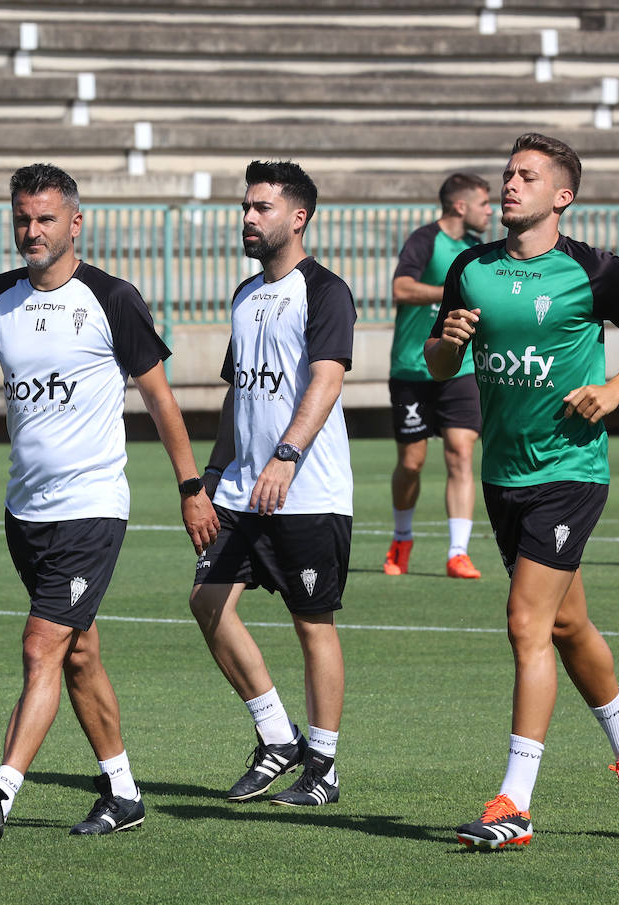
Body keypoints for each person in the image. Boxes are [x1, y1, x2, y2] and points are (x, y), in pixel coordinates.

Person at [0, 164, 217, 845]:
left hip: (92, 507)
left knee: (40, 645)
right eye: (23, 218)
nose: (32, 230)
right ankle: (122, 791)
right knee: (77, 652)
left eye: (46, 218)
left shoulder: (112, 298)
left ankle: (2, 790)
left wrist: (190, 487)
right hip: (25, 512)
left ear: (75, 223)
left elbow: (160, 397)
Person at [425, 133, 619, 849]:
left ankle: (516, 802)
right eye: (507, 174)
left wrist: (615, 389)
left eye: (526, 177)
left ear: (561, 196)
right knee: (567, 626)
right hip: (505, 474)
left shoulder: (593, 270)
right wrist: (449, 338)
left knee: (525, 624)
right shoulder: (472, 268)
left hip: (569, 471)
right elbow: (441, 364)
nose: (509, 185)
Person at [190, 160, 356, 808]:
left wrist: (287, 455)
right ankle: (274, 735)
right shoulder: (244, 294)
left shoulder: (325, 291)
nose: (249, 218)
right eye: (246, 206)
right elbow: (239, 397)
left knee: (311, 623)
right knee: (207, 602)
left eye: (262, 207)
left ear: (298, 216)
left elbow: (327, 379)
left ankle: (323, 763)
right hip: (240, 490)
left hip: (306, 490)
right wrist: (207, 477)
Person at [384, 173, 492, 580]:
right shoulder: (425, 240)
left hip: (460, 367)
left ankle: (458, 552)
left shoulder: (478, 250)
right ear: (460, 206)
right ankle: (401, 537)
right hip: (412, 367)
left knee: (461, 453)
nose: (490, 211)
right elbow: (401, 288)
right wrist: (450, 292)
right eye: (484, 203)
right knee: (411, 463)